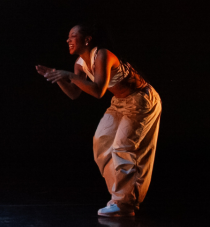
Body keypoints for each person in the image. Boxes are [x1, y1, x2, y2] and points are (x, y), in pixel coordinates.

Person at [36, 24, 161, 217]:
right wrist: (57, 77)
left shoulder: (102, 54)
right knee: (101, 143)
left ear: (87, 40)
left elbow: (98, 91)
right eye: (68, 37)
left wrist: (69, 75)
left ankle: (124, 203)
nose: (68, 40)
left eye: (73, 36)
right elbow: (74, 93)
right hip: (119, 102)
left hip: (141, 100)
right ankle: (119, 198)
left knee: (123, 148)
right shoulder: (79, 63)